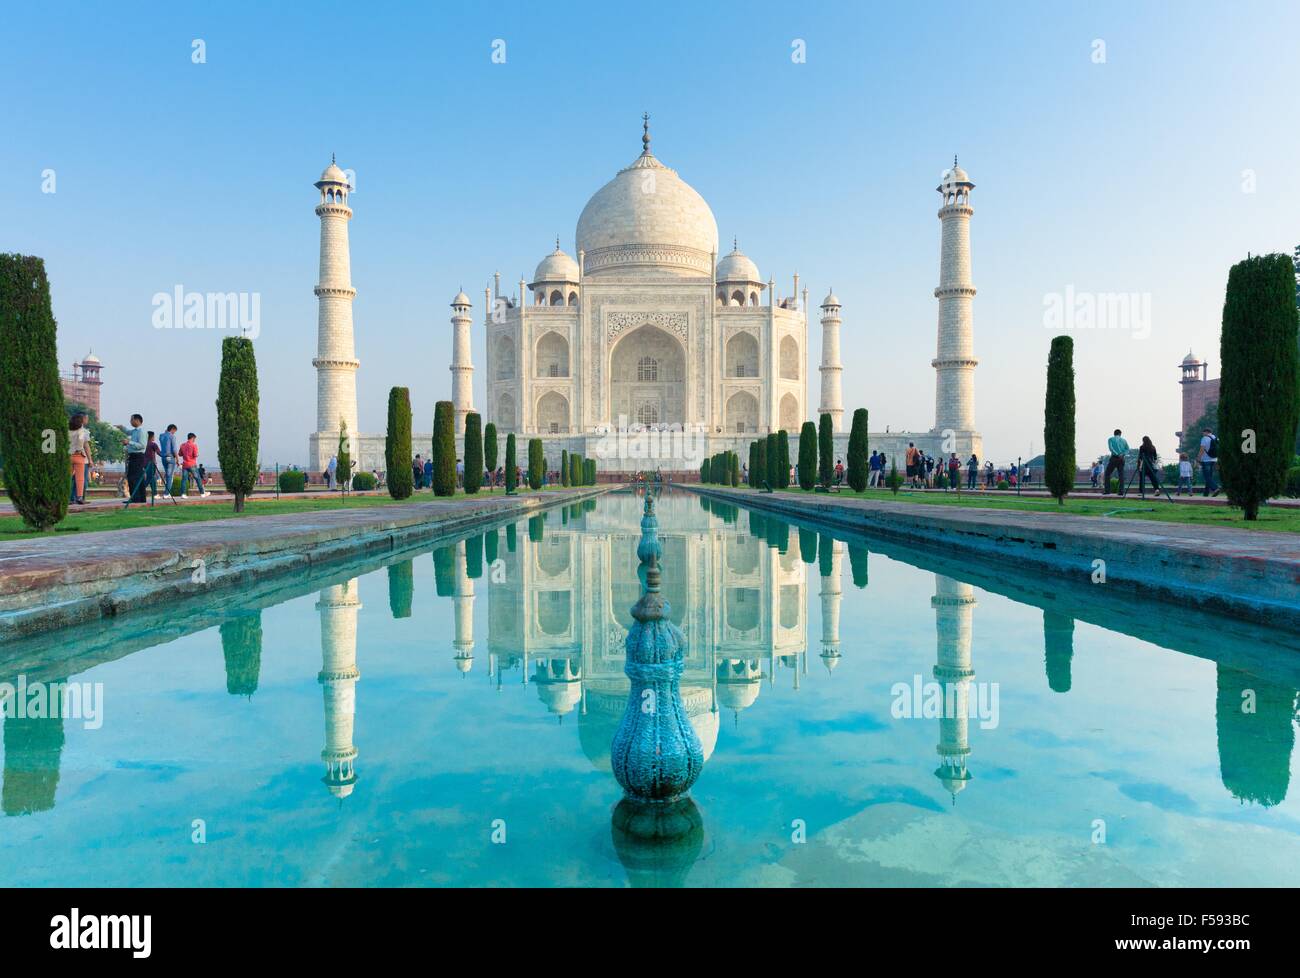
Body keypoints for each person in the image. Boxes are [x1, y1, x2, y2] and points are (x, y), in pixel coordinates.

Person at [68, 413, 94, 505]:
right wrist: (90, 459)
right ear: (81, 421)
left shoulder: (68, 431)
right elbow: (86, 446)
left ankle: (67, 497)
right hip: (79, 456)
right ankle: (79, 497)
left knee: (68, 478)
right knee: (80, 479)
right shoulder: (83, 432)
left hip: (68, 455)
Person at [123, 413, 147, 502]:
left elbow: (142, 445)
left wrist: (129, 442)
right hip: (134, 456)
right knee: (138, 477)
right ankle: (140, 498)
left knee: (133, 477)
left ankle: (135, 498)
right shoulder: (135, 431)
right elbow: (128, 432)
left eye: (131, 419)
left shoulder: (141, 432)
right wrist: (121, 427)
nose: (130, 421)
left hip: (138, 456)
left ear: (137, 420)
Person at [1102, 429, 1129, 495]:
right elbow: (1127, 449)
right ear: (1120, 434)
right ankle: (1121, 491)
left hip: (1114, 458)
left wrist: (1117, 454)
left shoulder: (1110, 439)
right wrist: (1122, 454)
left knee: (1107, 474)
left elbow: (1111, 448)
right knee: (1121, 475)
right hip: (1122, 459)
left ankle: (1107, 491)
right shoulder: (1124, 440)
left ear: (1114, 434)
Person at [144, 431, 167, 498]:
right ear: (151, 437)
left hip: (144, 464)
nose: (154, 437)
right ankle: (139, 490)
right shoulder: (153, 444)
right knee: (149, 478)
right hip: (151, 464)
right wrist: (168, 455)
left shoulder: (144, 444)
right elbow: (160, 453)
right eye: (154, 436)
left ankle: (155, 494)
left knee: (152, 478)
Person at [1198, 427, 1218, 497]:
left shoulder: (1204, 438)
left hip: (1206, 460)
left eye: (1203, 433)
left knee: (1207, 476)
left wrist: (1198, 458)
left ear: (1206, 432)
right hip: (1214, 459)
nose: (1202, 434)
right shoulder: (1215, 438)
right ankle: (1206, 494)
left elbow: (1202, 449)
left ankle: (1215, 488)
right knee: (1209, 477)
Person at [159, 424, 179, 495]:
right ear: (172, 429)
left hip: (163, 457)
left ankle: (167, 493)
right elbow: (174, 449)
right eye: (174, 431)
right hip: (170, 457)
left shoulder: (161, 436)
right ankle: (166, 494)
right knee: (169, 476)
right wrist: (177, 459)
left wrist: (166, 432)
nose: (174, 433)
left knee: (167, 476)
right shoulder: (172, 436)